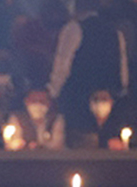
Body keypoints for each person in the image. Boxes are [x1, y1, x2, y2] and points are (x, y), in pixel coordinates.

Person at [48, 0, 128, 134]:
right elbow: (122, 70)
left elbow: (62, 66)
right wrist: (121, 92)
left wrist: (53, 92)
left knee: (79, 145)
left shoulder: (73, 29)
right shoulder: (116, 33)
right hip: (109, 101)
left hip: (77, 100)